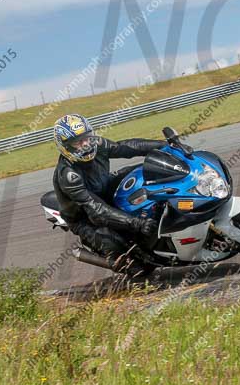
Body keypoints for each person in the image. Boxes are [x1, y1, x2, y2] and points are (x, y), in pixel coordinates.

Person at [52, 114, 164, 272]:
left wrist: (164, 146)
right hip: (85, 217)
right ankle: (128, 264)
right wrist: (137, 223)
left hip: (103, 188)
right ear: (66, 146)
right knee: (121, 249)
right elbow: (97, 211)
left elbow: (125, 147)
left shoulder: (96, 144)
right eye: (78, 142)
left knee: (141, 171)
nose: (85, 144)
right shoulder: (68, 175)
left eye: (87, 138)